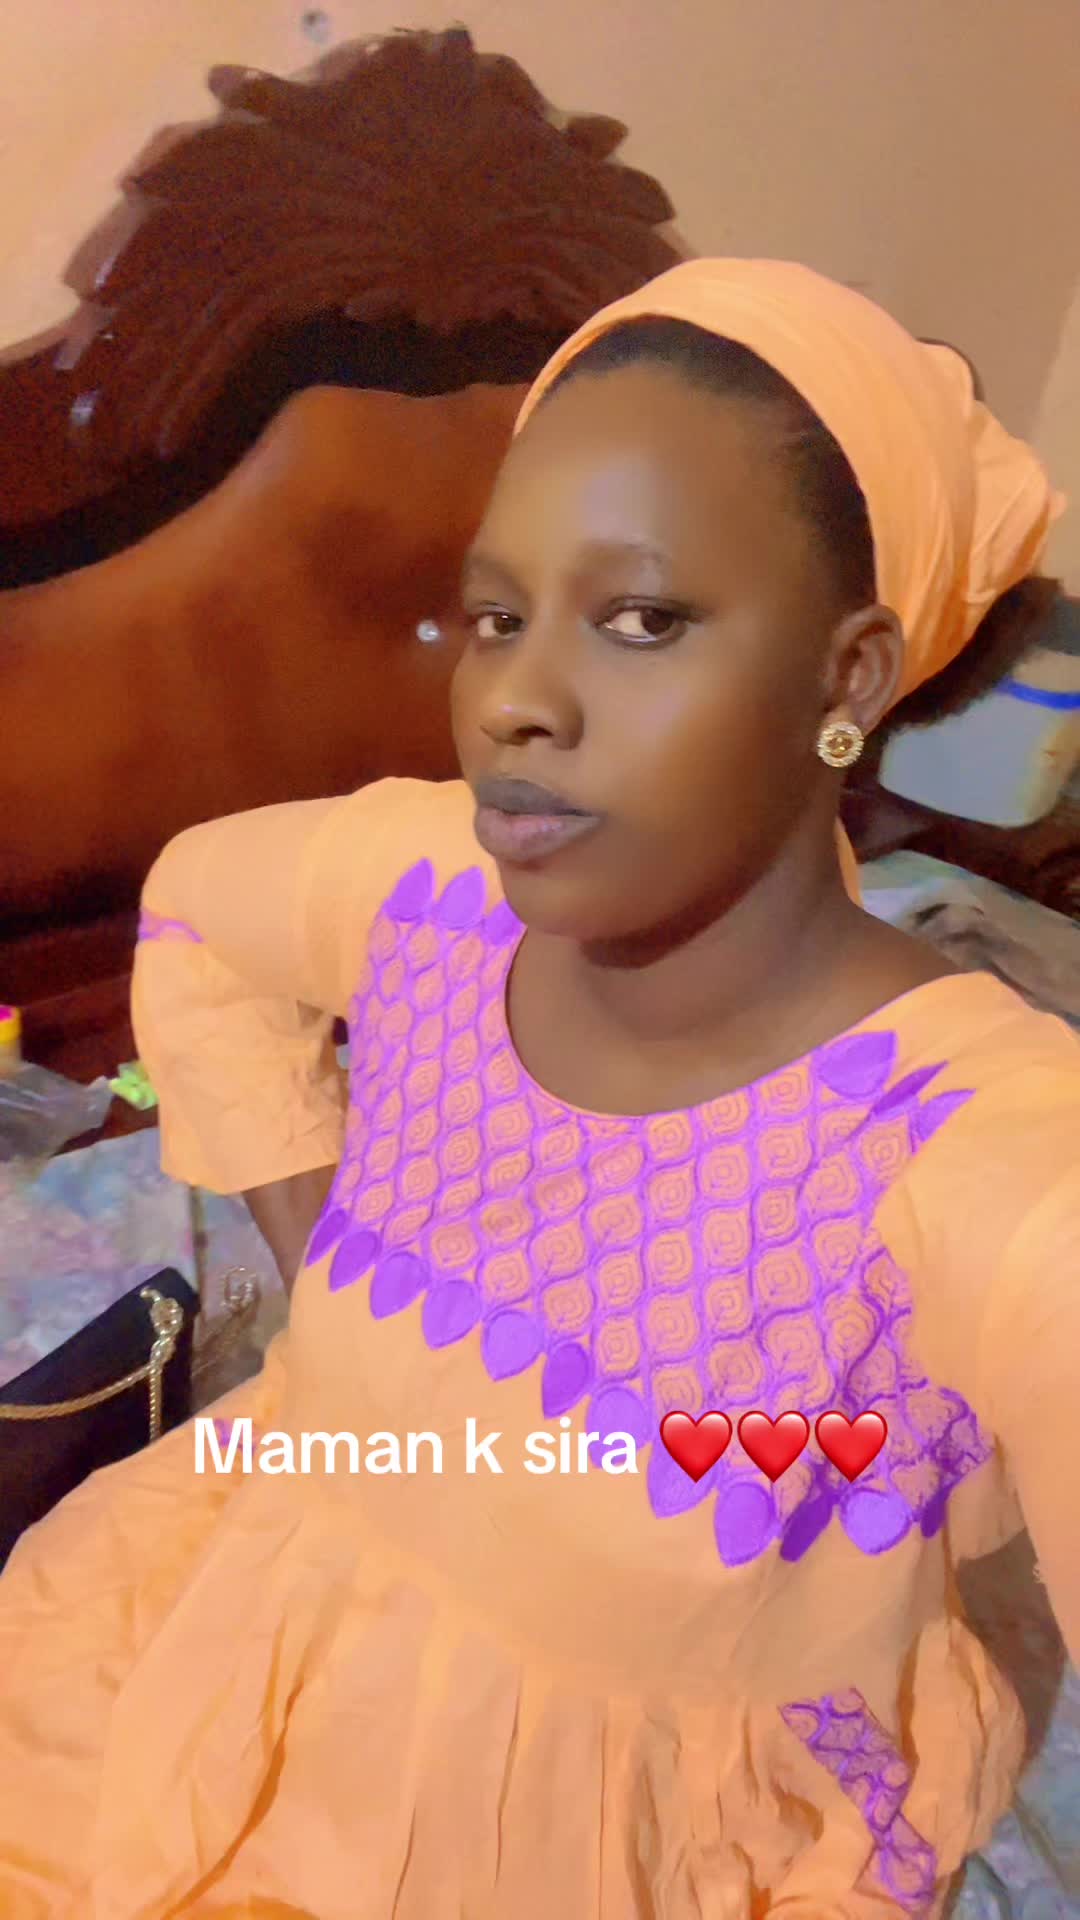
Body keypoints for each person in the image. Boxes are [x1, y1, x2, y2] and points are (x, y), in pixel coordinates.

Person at [0, 259, 1077, 1920]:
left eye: (640, 621)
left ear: (850, 678)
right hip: (231, 1633)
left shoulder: (987, 1164)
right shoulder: (429, 892)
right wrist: (325, 1260)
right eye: (499, 616)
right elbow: (203, 908)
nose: (510, 698)